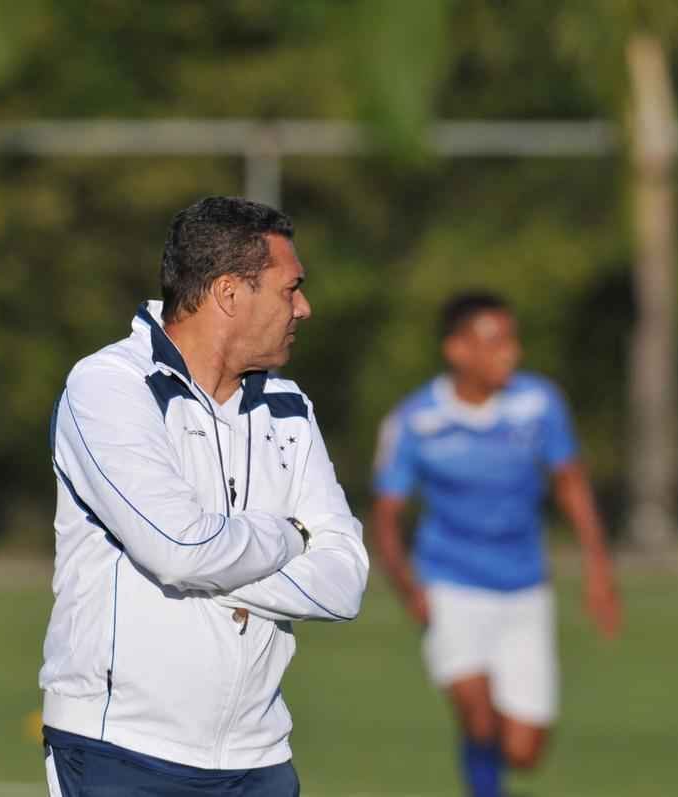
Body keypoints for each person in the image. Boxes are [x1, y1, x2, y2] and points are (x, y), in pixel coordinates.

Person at [40, 196, 369, 796]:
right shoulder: (108, 388)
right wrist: (290, 535)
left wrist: (206, 559)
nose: (304, 308)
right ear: (228, 293)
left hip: (260, 758)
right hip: (122, 751)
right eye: (290, 288)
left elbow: (345, 581)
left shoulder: (290, 407)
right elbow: (177, 549)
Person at [372, 292, 621, 797]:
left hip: (525, 589)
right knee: (479, 718)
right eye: (494, 341)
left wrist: (599, 572)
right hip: (451, 586)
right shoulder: (416, 420)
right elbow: (386, 516)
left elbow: (571, 484)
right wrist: (407, 585)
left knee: (523, 752)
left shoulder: (539, 404)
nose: (510, 352)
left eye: (512, 339)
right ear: (457, 350)